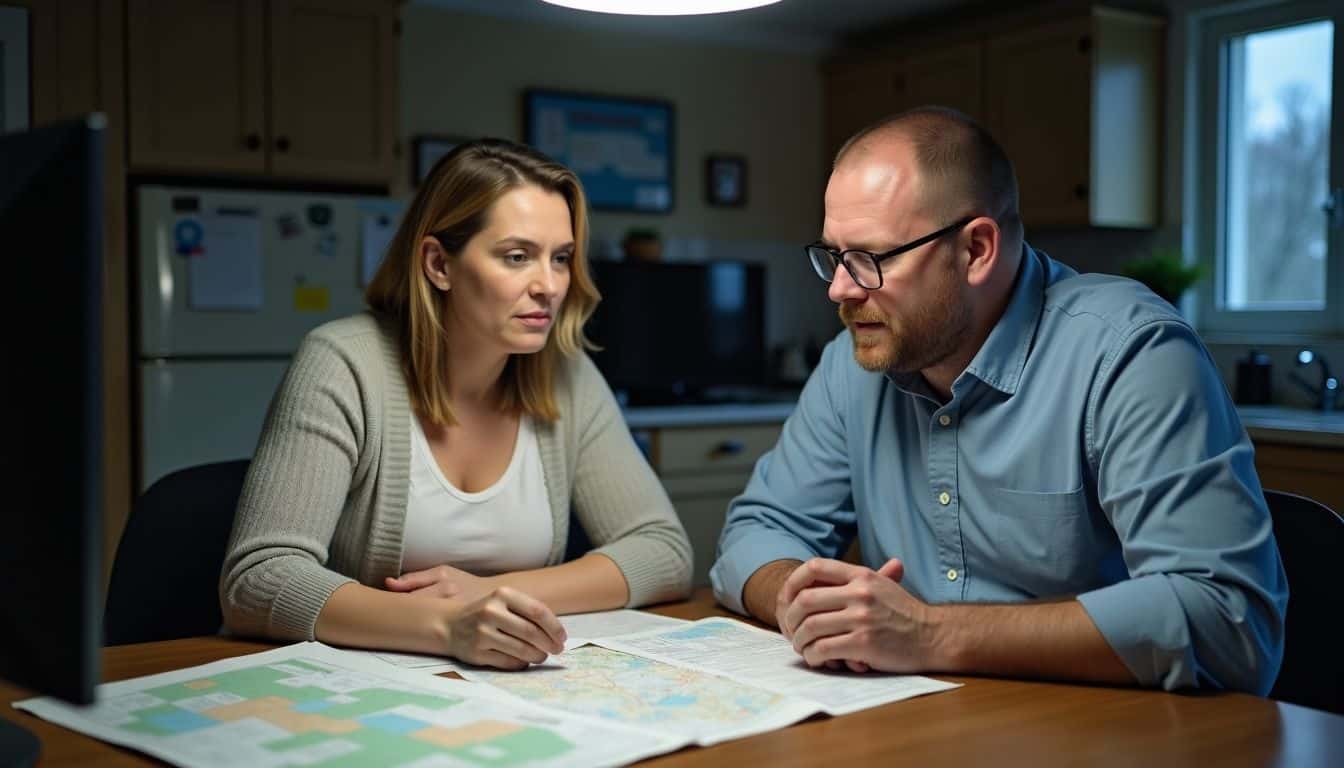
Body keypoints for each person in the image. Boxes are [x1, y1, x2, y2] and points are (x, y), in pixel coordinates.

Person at [711, 107, 1287, 693]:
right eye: (833, 256)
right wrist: (799, 600)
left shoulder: (1131, 354)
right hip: (918, 722)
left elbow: (1227, 621)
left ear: (977, 249)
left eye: (871, 259)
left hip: (1105, 730)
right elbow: (757, 530)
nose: (839, 289)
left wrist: (928, 633)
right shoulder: (851, 365)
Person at [221, 138, 692, 669]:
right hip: (360, 691)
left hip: (507, 688)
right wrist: (447, 626)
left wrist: (488, 593)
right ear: (438, 263)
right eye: (517, 257)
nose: (549, 286)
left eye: (559, 258)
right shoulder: (344, 362)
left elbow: (663, 552)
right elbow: (259, 579)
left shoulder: (568, 374)